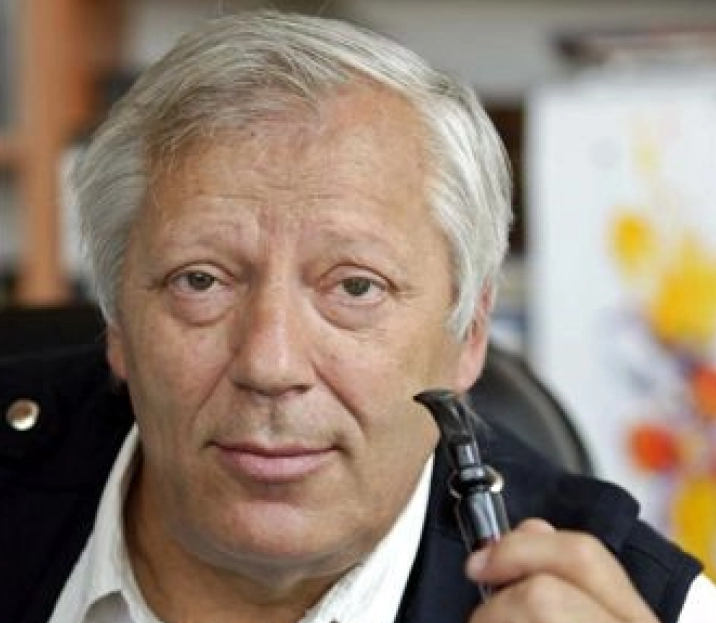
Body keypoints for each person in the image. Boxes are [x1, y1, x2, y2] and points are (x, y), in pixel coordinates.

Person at [0, 9, 714, 623]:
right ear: (118, 320)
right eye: (201, 280)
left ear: (469, 331)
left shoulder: (640, 601)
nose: (270, 364)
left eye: (356, 287)